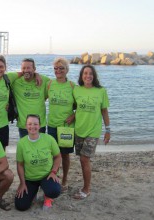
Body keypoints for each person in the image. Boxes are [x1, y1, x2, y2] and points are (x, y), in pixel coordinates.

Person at [73, 64, 110, 199]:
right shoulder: (76, 90)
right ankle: (85, 185)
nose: (88, 76)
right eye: (85, 73)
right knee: (82, 160)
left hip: (93, 131)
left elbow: (104, 111)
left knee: (84, 159)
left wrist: (108, 130)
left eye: (90, 73)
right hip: (79, 129)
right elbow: (75, 107)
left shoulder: (101, 91)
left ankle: (86, 189)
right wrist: (72, 115)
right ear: (81, 76)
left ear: (94, 76)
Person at [15, 114, 61, 211]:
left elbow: (57, 157)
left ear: (39, 126)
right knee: (21, 206)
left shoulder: (49, 139)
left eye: (35, 124)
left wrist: (53, 172)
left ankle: (48, 197)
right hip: (30, 178)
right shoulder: (21, 143)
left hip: (46, 176)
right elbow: (20, 165)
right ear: (26, 126)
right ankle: (33, 192)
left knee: (54, 191)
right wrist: (22, 183)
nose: (32, 127)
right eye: (30, 124)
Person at [46, 57, 75, 193]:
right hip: (51, 124)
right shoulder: (50, 84)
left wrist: (73, 116)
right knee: (53, 154)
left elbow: (79, 105)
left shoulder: (72, 86)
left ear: (66, 70)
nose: (58, 71)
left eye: (61, 68)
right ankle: (54, 176)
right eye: (56, 68)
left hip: (66, 127)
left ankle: (64, 180)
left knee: (64, 155)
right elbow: (40, 97)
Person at [8, 58, 49, 138]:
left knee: (40, 149)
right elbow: (2, 78)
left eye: (28, 68)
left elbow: (56, 87)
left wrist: (37, 75)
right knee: (25, 149)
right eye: (24, 68)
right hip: (24, 125)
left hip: (40, 124)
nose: (26, 70)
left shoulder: (43, 80)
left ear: (34, 69)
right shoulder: (16, 82)